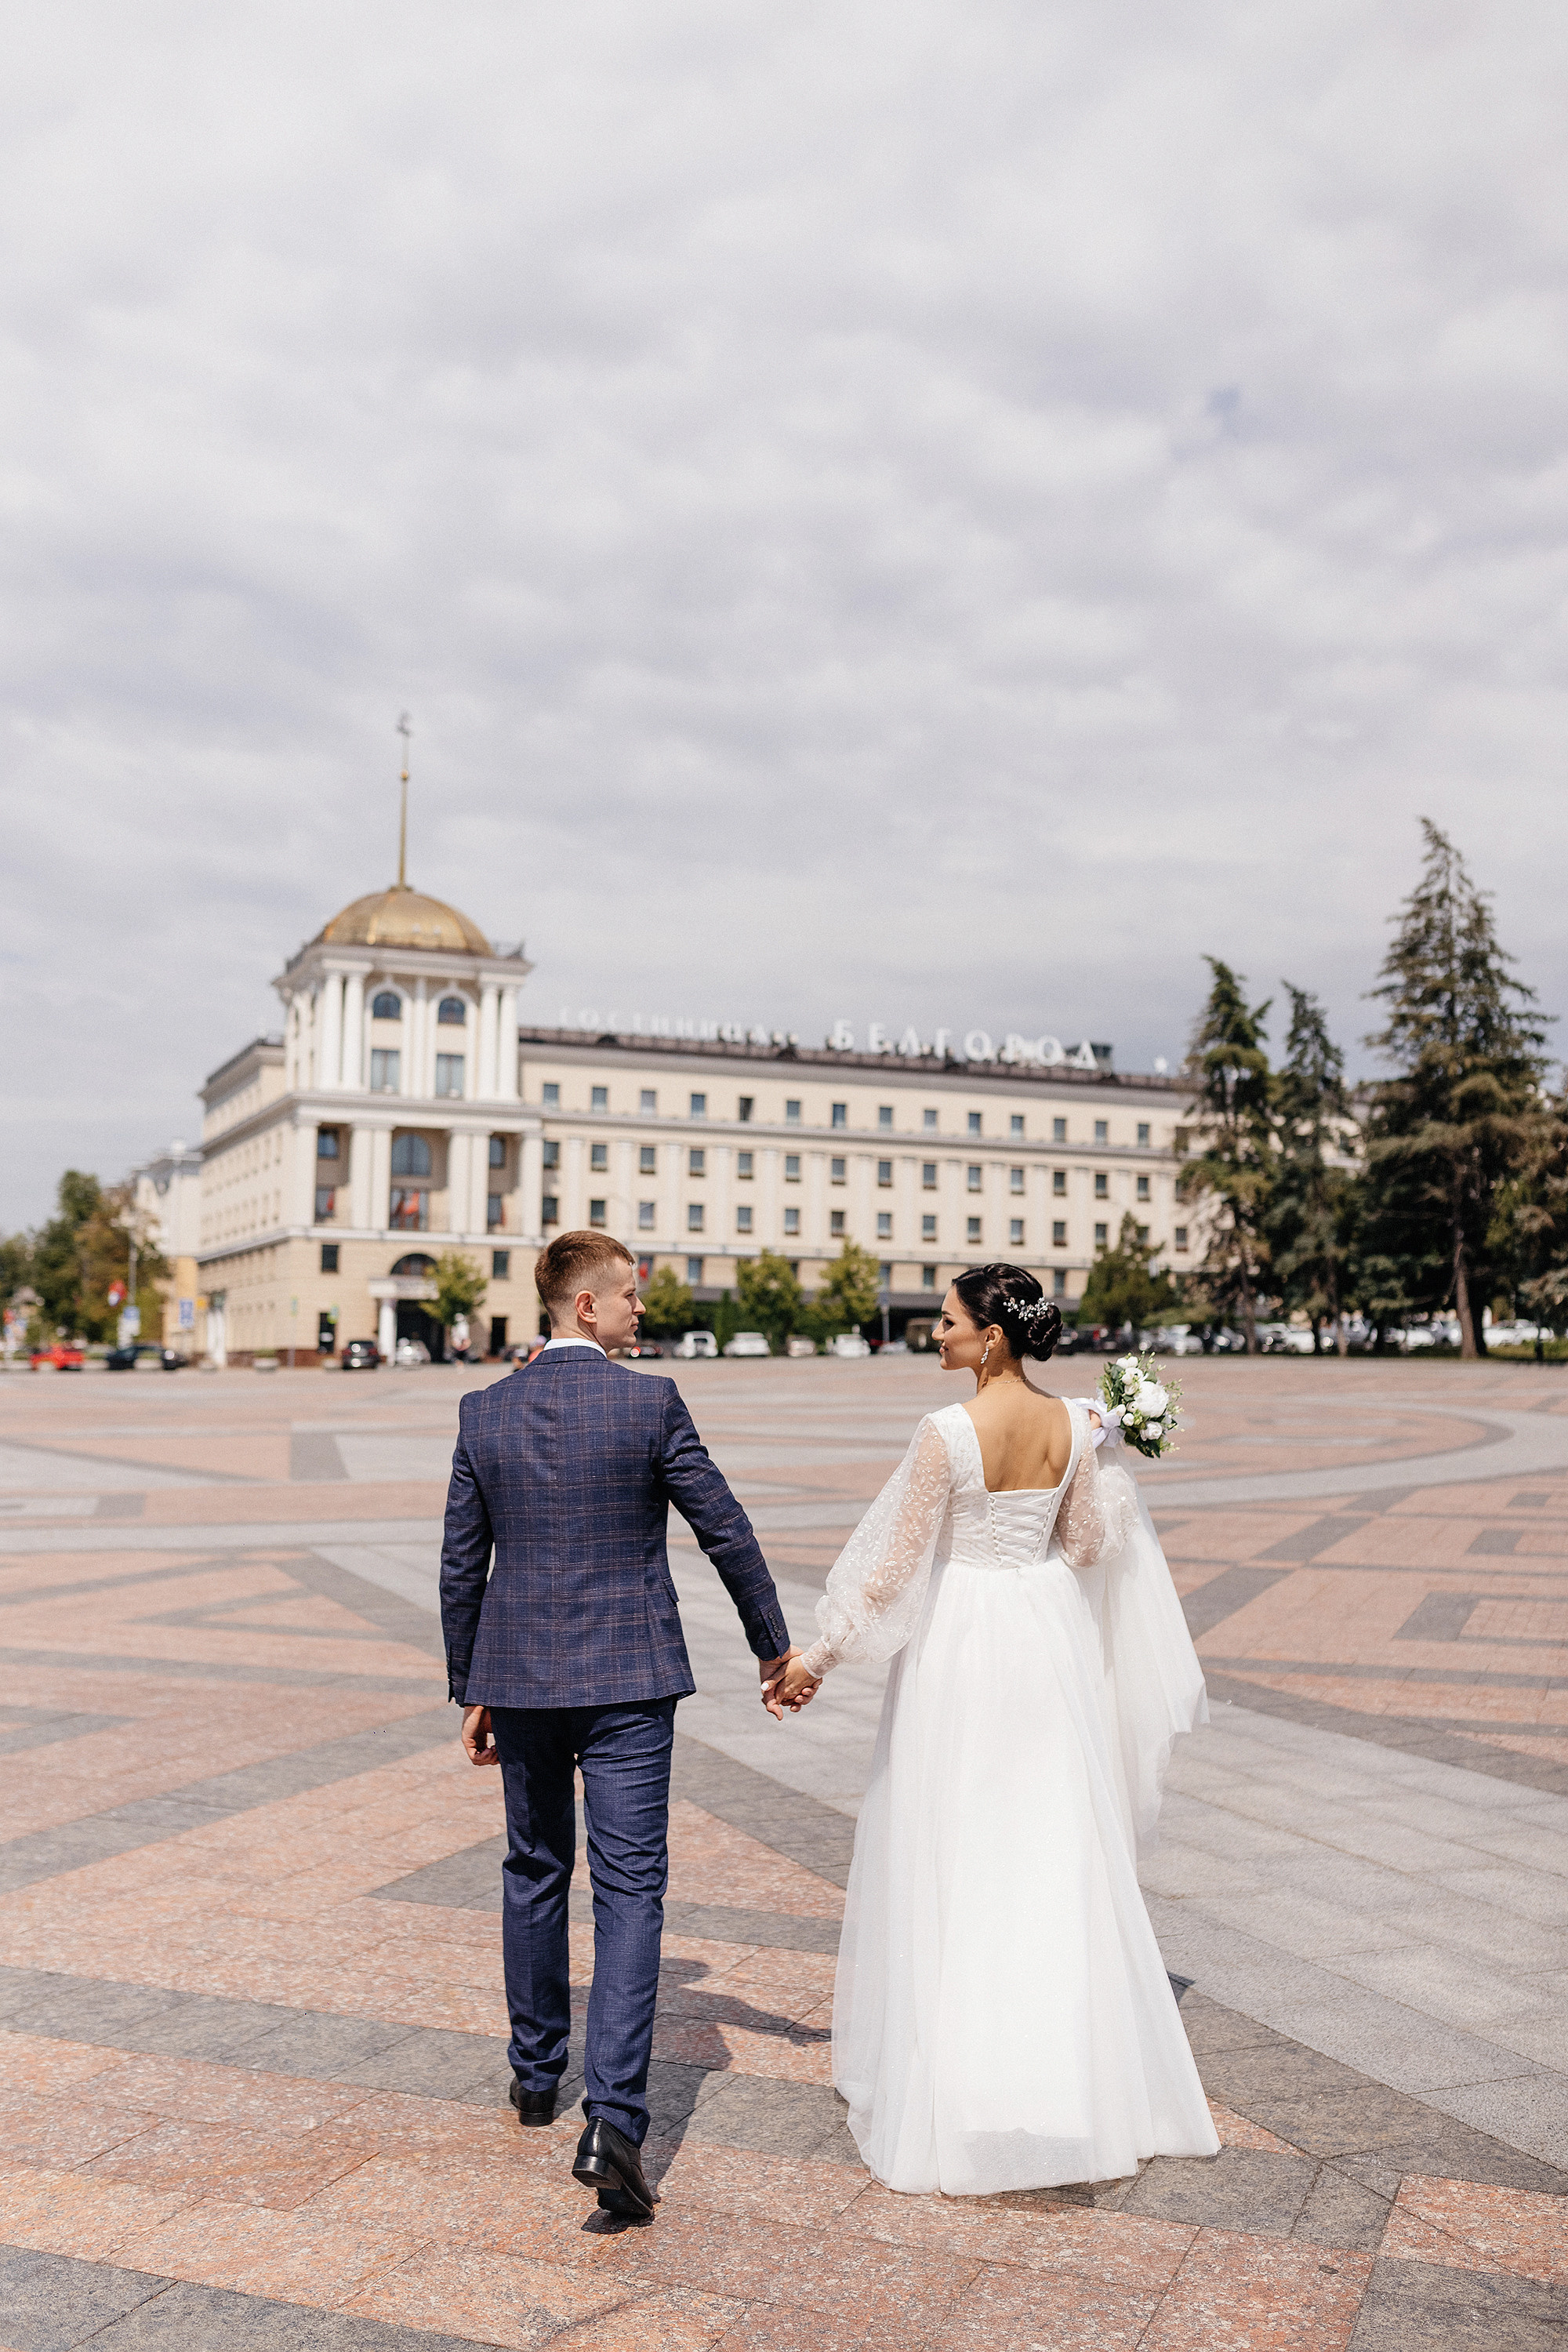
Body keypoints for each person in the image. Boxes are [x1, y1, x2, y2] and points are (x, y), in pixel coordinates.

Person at [769, 1262, 1218, 2195]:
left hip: (965, 1641)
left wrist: (820, 1655)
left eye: (945, 1322)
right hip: (1042, 1634)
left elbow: (892, 1569)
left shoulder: (943, 1434)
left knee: (960, 1842)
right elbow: (1089, 1546)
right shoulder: (1069, 1426)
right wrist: (1105, 1461)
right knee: (1050, 1845)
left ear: (992, 1337)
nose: (934, 1335)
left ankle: (963, 2077)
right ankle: (1069, 2078)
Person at [439, 1231, 797, 2220]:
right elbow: (721, 1522)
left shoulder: (485, 1411)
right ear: (584, 1307)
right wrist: (771, 1642)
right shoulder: (649, 1403)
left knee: (534, 1867)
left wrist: (470, 1680)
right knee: (631, 1890)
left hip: (520, 1678)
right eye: (629, 1296)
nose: (641, 1310)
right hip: (629, 1679)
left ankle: (532, 2078)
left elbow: (461, 1561)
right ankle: (616, 2124)